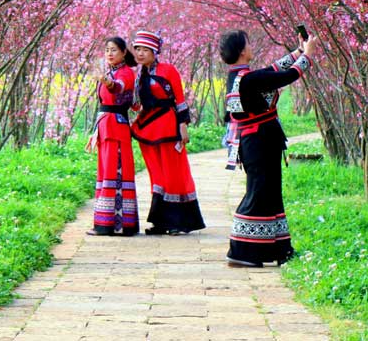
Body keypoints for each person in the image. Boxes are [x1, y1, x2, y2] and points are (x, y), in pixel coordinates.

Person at [219, 29, 317, 267]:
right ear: (242, 50)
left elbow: (272, 70)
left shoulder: (239, 75)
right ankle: (241, 250)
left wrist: (297, 51)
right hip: (259, 142)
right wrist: (308, 56)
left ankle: (279, 249)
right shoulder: (248, 79)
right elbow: (285, 77)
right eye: (249, 43)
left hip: (258, 141)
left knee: (270, 193)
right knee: (259, 193)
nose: (252, 46)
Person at [130, 30, 206, 235]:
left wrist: (183, 126)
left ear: (155, 51)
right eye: (137, 49)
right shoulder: (139, 75)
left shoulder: (168, 70)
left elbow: (179, 99)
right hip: (147, 128)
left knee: (173, 172)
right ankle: (161, 221)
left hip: (168, 126)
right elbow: (137, 105)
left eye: (145, 49)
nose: (140, 53)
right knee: (157, 174)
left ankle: (178, 221)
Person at [85, 37, 139, 236]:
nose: (109, 53)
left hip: (116, 128)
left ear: (124, 52)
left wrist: (106, 81)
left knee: (115, 173)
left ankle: (114, 224)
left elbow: (118, 88)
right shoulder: (110, 72)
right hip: (105, 126)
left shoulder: (126, 74)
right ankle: (105, 222)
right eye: (107, 50)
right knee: (105, 173)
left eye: (114, 50)